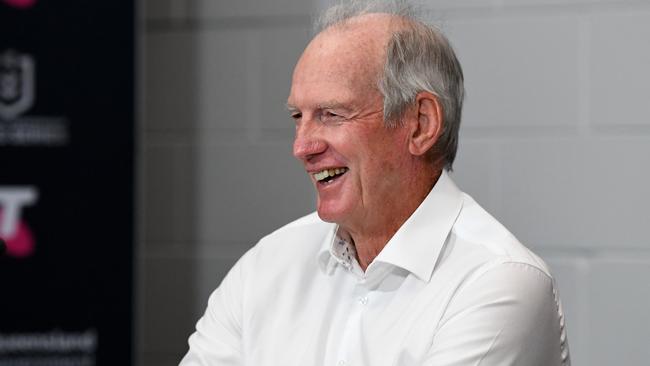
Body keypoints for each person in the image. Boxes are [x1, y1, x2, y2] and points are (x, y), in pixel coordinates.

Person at [179, 1, 570, 365]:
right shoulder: (266, 266)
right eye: (299, 116)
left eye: (332, 114)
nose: (302, 147)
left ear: (420, 124)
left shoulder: (498, 282)